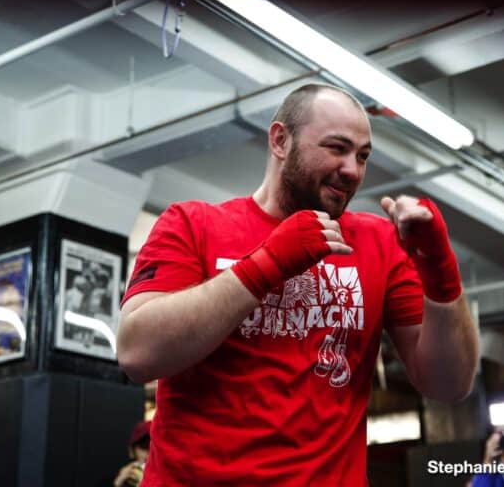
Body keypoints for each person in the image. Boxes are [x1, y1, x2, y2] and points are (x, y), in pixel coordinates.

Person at [117, 83, 479, 485]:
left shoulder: (378, 243)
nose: (352, 170)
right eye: (336, 148)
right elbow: (137, 353)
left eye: (362, 156)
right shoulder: (193, 224)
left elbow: (450, 385)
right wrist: (267, 263)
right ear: (280, 140)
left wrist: (439, 270)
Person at [113, 421, 151, 487]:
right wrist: (118, 483)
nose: (149, 452)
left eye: (155, 447)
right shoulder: (126, 478)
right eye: (144, 446)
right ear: (132, 450)